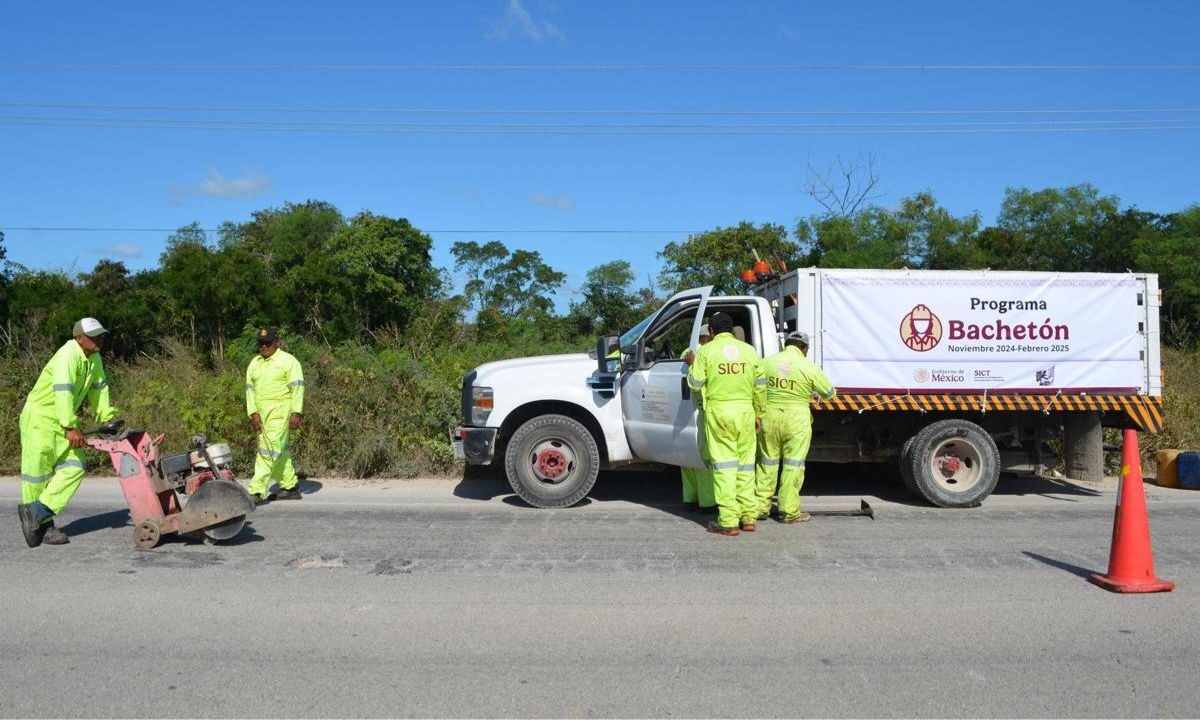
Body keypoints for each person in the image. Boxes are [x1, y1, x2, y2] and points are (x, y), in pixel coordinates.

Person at [17, 317, 119, 548]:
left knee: (76, 465)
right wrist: (70, 427)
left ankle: (37, 512)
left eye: (101, 335)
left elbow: (99, 389)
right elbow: (62, 392)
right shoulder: (67, 355)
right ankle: (43, 527)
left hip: (61, 421)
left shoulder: (94, 359)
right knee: (37, 475)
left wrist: (107, 417)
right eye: (94, 336)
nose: (99, 340)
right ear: (79, 338)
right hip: (40, 419)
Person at [686, 312, 764, 536]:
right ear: (731, 329)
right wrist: (759, 414)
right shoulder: (749, 351)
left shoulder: (706, 351)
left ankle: (728, 521)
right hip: (746, 412)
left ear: (711, 331)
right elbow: (760, 387)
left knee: (725, 468)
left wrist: (692, 365)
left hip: (719, 413)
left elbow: (694, 383)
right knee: (746, 466)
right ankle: (749, 517)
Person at [755, 331, 836, 523]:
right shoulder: (809, 367)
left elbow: (755, 387)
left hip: (769, 417)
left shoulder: (766, 362)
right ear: (804, 348)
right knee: (793, 465)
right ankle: (789, 511)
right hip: (797, 421)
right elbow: (829, 393)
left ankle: (759, 508)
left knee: (767, 463)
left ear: (787, 344)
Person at [245, 327, 305, 504]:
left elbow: (297, 387)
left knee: (267, 450)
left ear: (276, 343)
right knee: (279, 451)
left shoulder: (288, 361)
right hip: (262, 415)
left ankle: (256, 491)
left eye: (268, 343)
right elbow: (250, 391)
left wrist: (296, 412)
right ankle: (290, 487)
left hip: (281, 414)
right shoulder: (254, 363)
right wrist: (253, 413)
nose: (264, 346)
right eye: (261, 343)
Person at [681, 326, 715, 511]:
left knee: (687, 459)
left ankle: (690, 498)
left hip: (685, 411)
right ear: (708, 337)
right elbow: (699, 382)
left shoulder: (687, 352)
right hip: (704, 410)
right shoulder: (708, 354)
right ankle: (708, 502)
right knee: (706, 459)